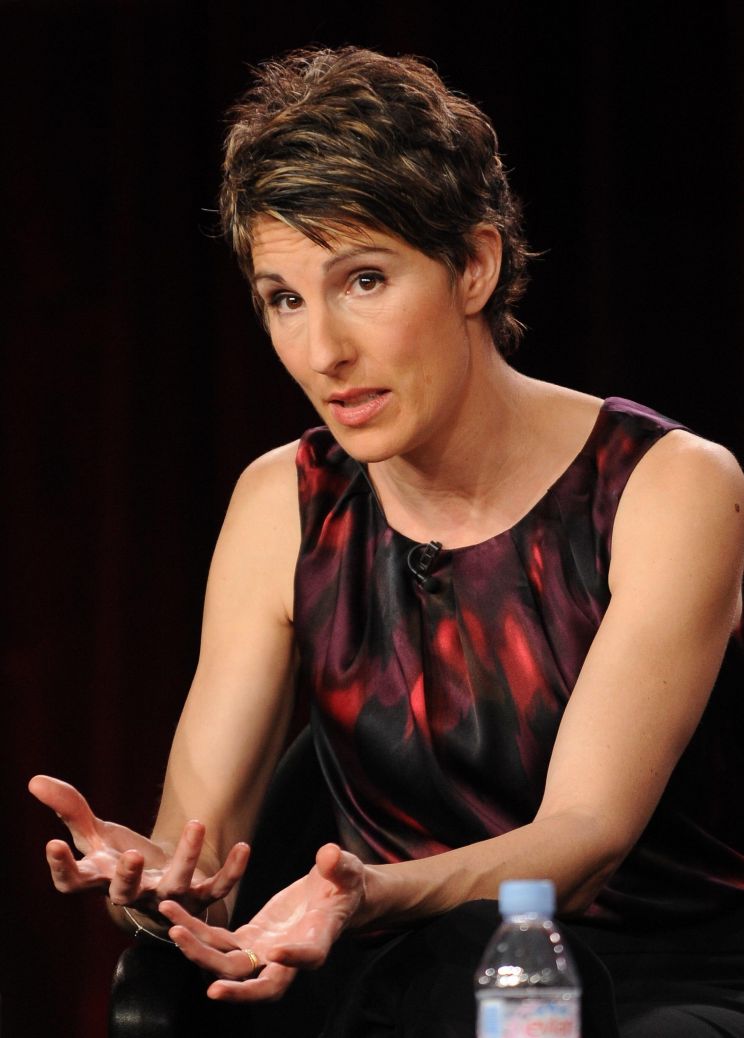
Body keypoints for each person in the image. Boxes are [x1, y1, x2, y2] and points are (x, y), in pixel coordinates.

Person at [30, 46, 744, 1037]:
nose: (323, 351)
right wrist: (158, 885)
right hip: (398, 978)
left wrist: (368, 892)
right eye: (284, 299)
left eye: (363, 280)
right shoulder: (283, 501)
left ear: (474, 266)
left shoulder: (667, 485)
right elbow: (202, 844)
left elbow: (586, 838)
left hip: (657, 983)